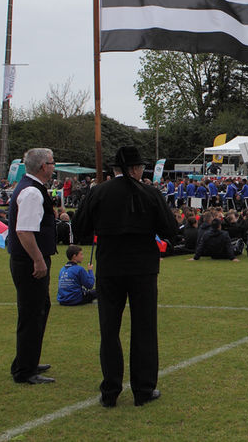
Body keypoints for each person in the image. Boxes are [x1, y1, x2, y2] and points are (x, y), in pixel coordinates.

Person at [73, 146, 175, 408]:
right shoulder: (150, 193)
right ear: (133, 169)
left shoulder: (98, 191)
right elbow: (170, 229)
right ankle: (143, 389)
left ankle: (110, 390)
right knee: (144, 328)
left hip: (110, 266)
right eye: (140, 168)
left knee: (109, 329)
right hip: (142, 267)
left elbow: (80, 227)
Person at [5, 147, 59, 385]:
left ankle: (27, 360)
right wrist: (38, 259)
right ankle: (25, 370)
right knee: (32, 313)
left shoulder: (32, 188)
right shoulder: (32, 192)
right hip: (29, 261)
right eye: (51, 162)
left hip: (27, 258)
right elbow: (25, 231)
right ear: (42, 167)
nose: (54, 166)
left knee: (38, 308)